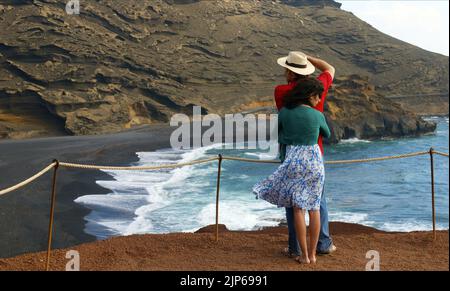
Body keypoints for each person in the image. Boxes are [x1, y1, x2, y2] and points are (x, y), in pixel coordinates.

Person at [253, 78, 331, 264]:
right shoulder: (316, 114)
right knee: (314, 209)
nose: (320, 100)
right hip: (314, 162)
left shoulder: (285, 113)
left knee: (298, 210)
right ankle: (313, 255)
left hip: (293, 161)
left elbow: (278, 134)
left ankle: (303, 255)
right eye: (318, 96)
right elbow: (326, 133)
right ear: (310, 95)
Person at [274, 51, 337, 257]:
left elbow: (281, 126)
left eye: (286, 69)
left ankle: (296, 248)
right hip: (314, 153)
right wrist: (307, 59)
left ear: (290, 73)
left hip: (290, 153)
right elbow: (330, 69)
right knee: (318, 200)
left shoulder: (281, 91)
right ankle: (323, 243)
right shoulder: (317, 89)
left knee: (294, 202)